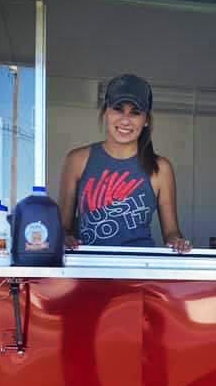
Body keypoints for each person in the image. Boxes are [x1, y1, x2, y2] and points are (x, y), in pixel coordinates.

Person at [58, 74, 191, 253]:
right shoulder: (77, 160)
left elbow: (171, 232)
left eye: (135, 112)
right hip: (88, 268)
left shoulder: (161, 168)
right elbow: (63, 227)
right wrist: (64, 237)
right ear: (106, 112)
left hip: (139, 271)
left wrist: (178, 242)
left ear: (146, 120)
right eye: (118, 109)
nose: (125, 120)